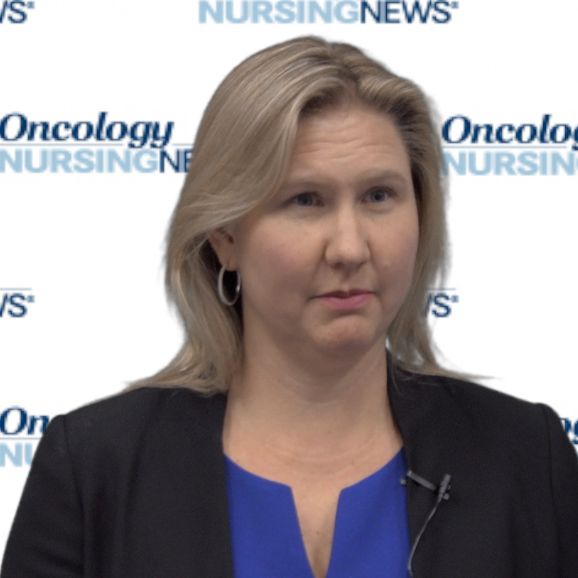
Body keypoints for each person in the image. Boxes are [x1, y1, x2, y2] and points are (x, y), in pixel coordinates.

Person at [2, 36, 577, 578]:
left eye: (379, 196)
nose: (350, 248)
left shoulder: (527, 455)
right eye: (306, 200)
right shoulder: (93, 468)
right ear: (224, 236)